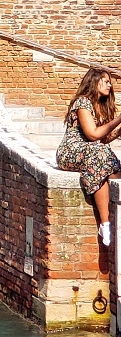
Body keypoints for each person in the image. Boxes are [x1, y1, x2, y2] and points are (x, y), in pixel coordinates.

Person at [57, 68, 121, 246]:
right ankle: (105, 223)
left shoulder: (101, 106)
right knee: (99, 155)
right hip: (70, 151)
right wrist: (119, 119)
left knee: (108, 161)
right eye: (105, 81)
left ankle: (109, 220)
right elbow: (92, 134)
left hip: (92, 152)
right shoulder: (82, 103)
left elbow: (104, 138)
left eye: (110, 82)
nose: (109, 85)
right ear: (94, 82)